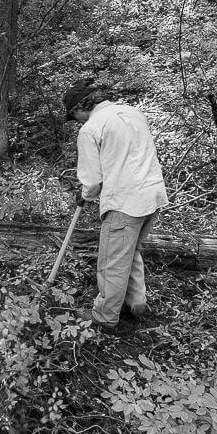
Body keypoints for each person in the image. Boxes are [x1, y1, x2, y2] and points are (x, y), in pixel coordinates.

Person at [62, 86, 169, 330]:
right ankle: (136, 302)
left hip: (125, 201)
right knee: (131, 251)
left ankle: (105, 316)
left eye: (74, 116)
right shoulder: (133, 113)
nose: (77, 122)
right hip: (152, 195)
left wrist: (85, 194)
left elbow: (92, 181)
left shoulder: (91, 129)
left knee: (112, 261)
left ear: (80, 108)